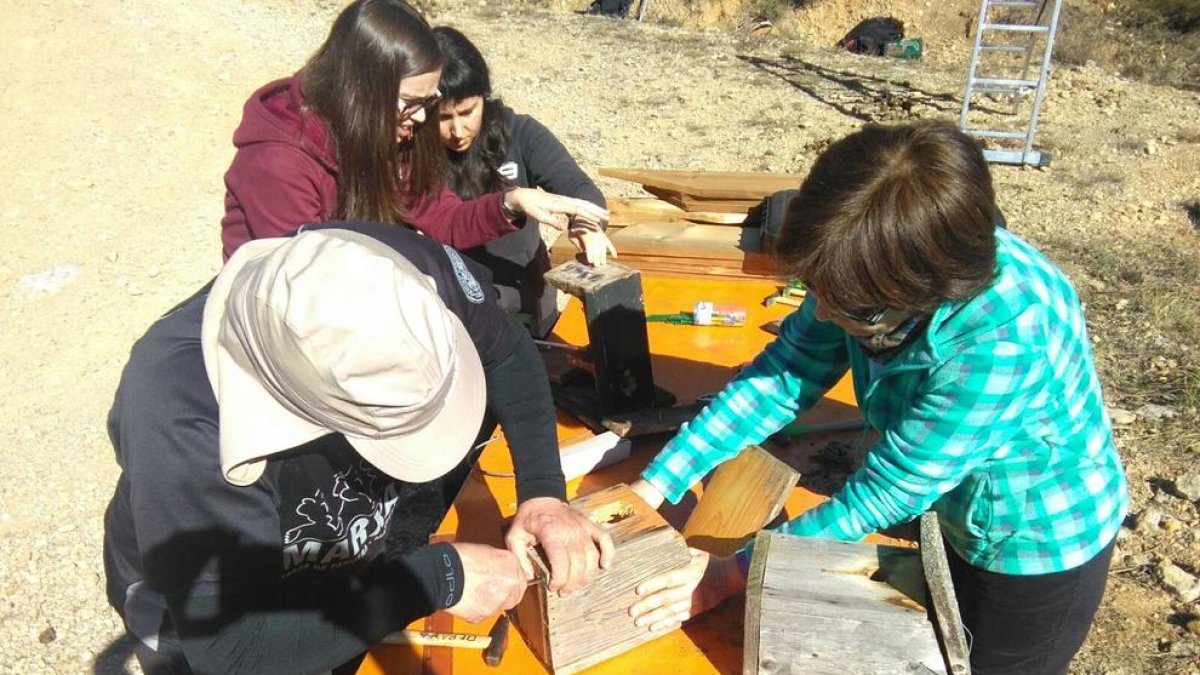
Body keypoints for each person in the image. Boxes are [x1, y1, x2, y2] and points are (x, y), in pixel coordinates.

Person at [626, 121, 1129, 675]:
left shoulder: (1005, 338)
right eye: (816, 290)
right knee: (937, 635)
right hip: (952, 500)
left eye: (849, 308)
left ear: (922, 290)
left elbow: (881, 495)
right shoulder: (867, 266)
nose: (823, 312)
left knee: (991, 662)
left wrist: (734, 572)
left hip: (1032, 540)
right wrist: (654, 486)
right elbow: (786, 374)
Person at [104, 222, 614, 674]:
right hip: (214, 614)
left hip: (340, 568)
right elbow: (232, 651)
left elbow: (506, 351)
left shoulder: (390, 269)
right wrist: (439, 579)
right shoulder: (180, 418)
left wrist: (543, 495)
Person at [219, 0, 608, 261]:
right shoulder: (280, 162)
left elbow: (444, 217)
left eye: (428, 102)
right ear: (360, 90)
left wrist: (511, 201)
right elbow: (304, 286)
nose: (422, 119)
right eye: (410, 103)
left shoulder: (388, 134)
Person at [433, 26, 615, 336]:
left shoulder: (519, 133)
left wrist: (586, 226)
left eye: (467, 112)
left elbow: (579, 190)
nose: (458, 130)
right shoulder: (414, 153)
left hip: (527, 298)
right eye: (443, 118)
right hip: (454, 307)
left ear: (484, 97)